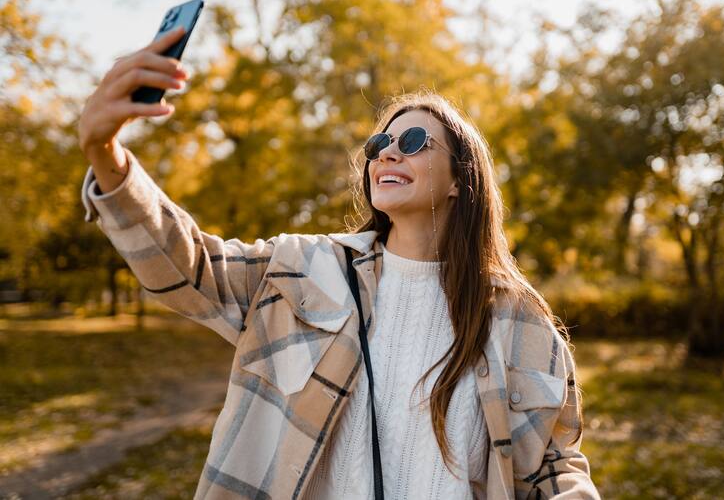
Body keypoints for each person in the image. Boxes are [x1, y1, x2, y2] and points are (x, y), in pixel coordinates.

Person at [78, 26, 601, 500]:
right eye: (380, 143)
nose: (387, 154)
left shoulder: (518, 320)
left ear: (461, 180)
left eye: (414, 141)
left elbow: (555, 464)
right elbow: (188, 268)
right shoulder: (303, 271)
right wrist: (106, 153)